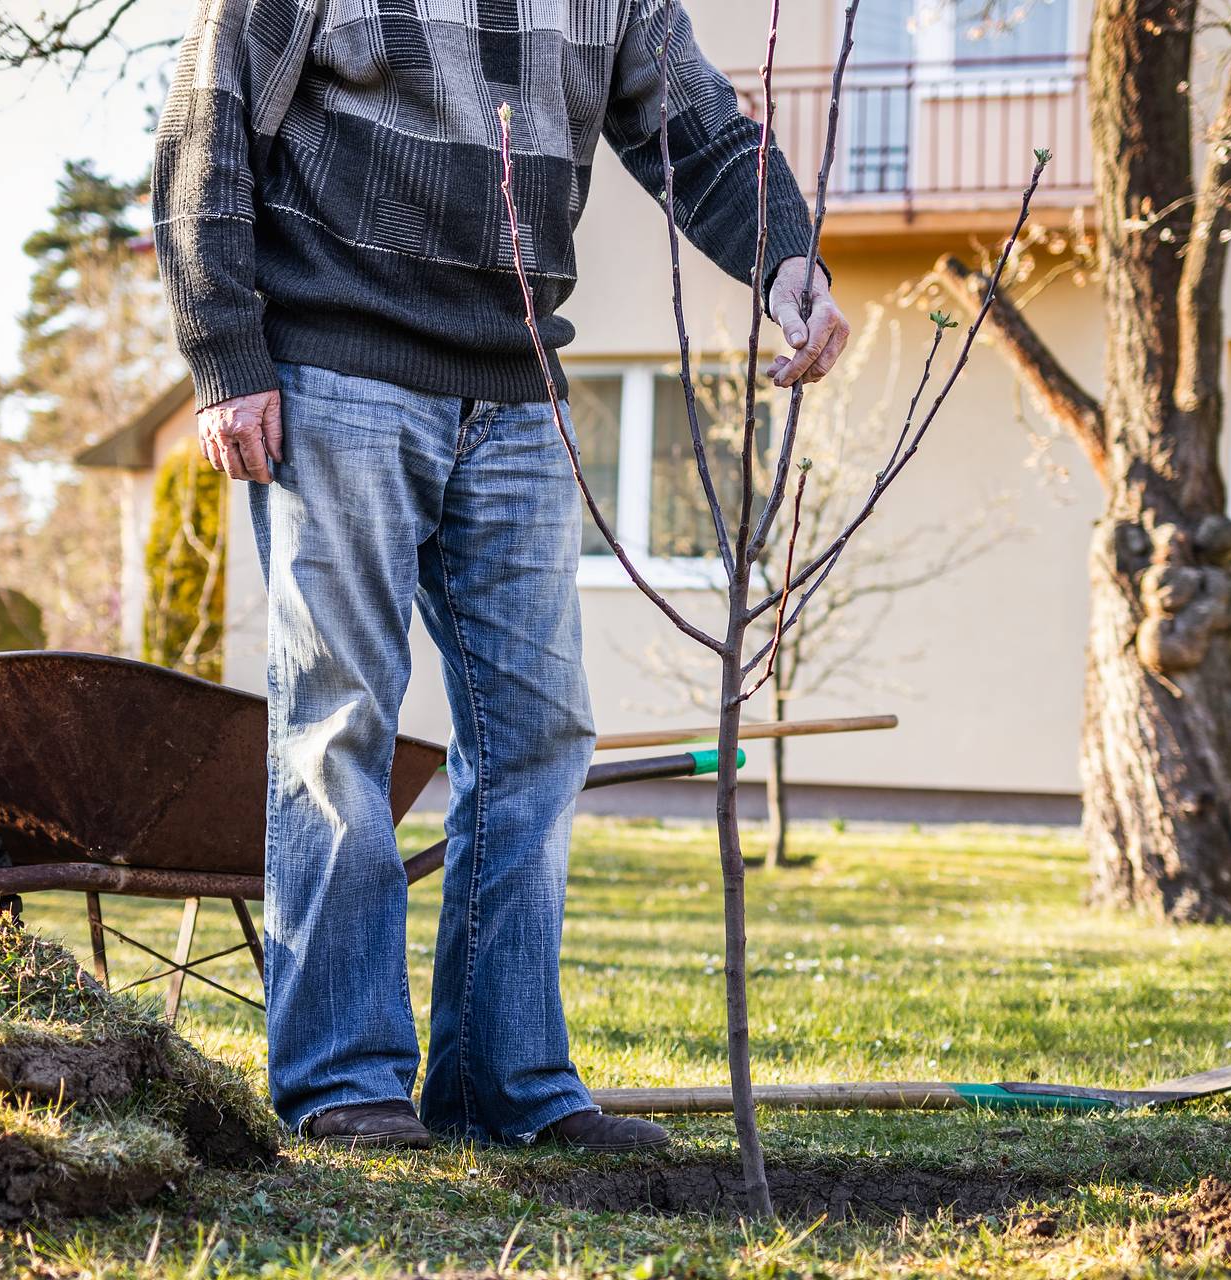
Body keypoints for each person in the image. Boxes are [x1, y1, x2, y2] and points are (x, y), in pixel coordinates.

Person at [153, 0, 849, 1153]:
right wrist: (225, 352)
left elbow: (703, 133)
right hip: (336, 371)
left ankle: (501, 1081)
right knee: (339, 723)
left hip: (518, 388)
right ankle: (342, 1079)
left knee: (535, 730)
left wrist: (786, 254)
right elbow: (205, 133)